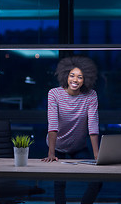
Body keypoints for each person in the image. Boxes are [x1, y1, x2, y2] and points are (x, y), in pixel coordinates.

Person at [41, 55, 102, 204]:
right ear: (65, 75)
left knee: (98, 179)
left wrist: (97, 154)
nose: (75, 80)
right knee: (59, 183)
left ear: (86, 78)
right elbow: (53, 124)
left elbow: (93, 125)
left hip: (78, 146)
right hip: (58, 145)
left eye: (80, 77)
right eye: (72, 75)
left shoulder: (91, 95)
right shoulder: (54, 94)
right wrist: (51, 153)